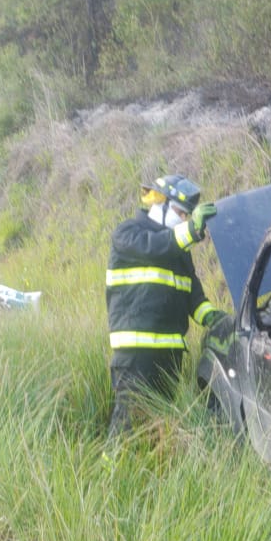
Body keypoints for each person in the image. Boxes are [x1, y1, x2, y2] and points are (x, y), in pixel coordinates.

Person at [105, 173, 225, 436]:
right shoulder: (129, 233)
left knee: (160, 426)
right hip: (136, 355)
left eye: (187, 215)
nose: (184, 219)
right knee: (128, 425)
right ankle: (110, 464)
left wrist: (211, 316)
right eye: (181, 213)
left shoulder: (178, 248)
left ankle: (154, 463)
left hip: (170, 356)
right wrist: (190, 231)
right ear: (159, 203)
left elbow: (192, 293)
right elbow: (155, 247)